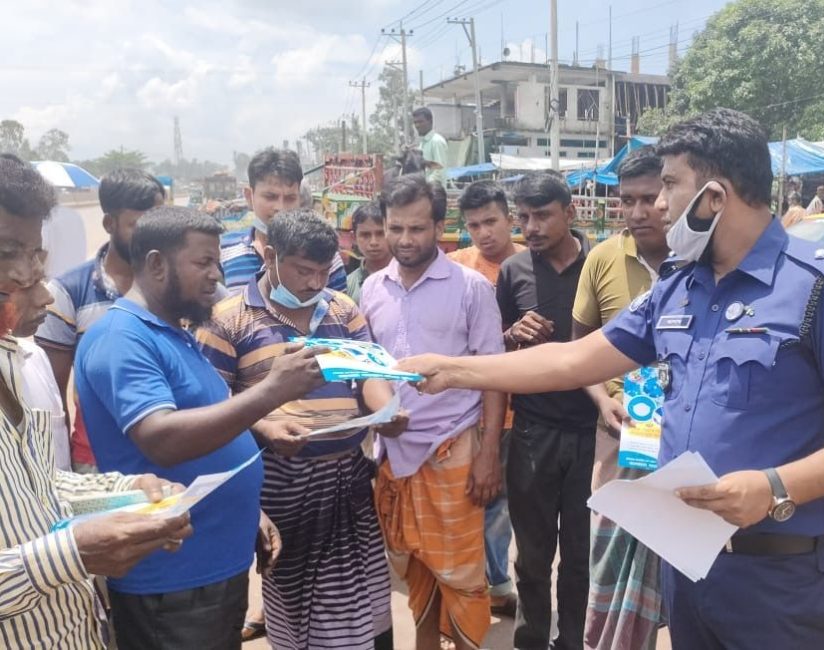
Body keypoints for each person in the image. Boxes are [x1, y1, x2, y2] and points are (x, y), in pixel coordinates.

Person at [397, 107, 824, 649]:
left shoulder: (818, 286)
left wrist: (775, 488)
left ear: (714, 196)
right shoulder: (680, 287)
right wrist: (453, 369)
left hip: (779, 580)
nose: (659, 204)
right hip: (687, 567)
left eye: (669, 185)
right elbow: (575, 360)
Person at [75, 206, 330, 649]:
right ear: (156, 264)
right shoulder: (122, 337)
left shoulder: (173, 333)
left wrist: (251, 511)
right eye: (203, 262)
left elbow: (213, 430)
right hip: (173, 582)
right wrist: (271, 392)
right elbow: (162, 439)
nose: (217, 274)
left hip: (211, 569)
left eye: (217, 261)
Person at [0, 154, 192, 648]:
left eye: (36, 256)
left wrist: (128, 492)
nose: (38, 291)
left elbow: (37, 491)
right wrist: (71, 555)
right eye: (9, 255)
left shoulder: (17, 362)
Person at [198, 210, 402, 649]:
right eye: (302, 271)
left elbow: (369, 376)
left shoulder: (343, 309)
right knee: (303, 614)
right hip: (283, 487)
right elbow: (213, 407)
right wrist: (267, 426)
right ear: (271, 257)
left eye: (322, 271)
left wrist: (386, 413)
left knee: (366, 604)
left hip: (348, 480)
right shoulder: (228, 319)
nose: (313, 283)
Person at [360, 175, 505, 650]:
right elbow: (368, 371)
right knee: (417, 579)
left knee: (462, 578)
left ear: (440, 227)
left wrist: (488, 456)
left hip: (453, 451)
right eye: (395, 228)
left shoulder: (471, 288)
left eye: (417, 229)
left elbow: (493, 375)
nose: (404, 240)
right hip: (393, 456)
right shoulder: (371, 288)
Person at [495, 172, 600, 650]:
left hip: (592, 432)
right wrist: (513, 334)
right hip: (533, 432)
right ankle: (531, 639)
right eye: (524, 217)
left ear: (570, 213)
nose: (531, 227)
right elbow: (494, 346)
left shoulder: (600, 265)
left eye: (542, 215)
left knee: (580, 557)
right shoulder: (513, 272)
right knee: (532, 558)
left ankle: (572, 641)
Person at [573, 148, 669, 650]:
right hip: (622, 428)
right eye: (626, 200)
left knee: (685, 563)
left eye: (650, 198)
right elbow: (579, 348)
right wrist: (599, 401)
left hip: (688, 438)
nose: (636, 212)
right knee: (614, 561)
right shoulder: (604, 258)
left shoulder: (701, 261)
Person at [37, 168, 164, 472]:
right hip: (97, 462)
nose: (152, 237)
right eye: (138, 225)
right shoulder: (68, 293)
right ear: (109, 223)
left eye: (158, 224)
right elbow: (54, 396)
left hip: (167, 453)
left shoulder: (172, 285)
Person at [447, 180, 526, 617]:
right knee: (468, 498)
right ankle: (474, 585)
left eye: (491, 222)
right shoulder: (457, 267)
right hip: (465, 410)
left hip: (518, 410)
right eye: (474, 225)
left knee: (500, 504)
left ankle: (496, 582)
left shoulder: (530, 266)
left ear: (509, 218)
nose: (484, 233)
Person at [220, 148, 347, 293]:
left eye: (290, 198)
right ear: (249, 196)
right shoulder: (225, 251)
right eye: (270, 197)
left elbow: (340, 312)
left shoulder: (325, 254)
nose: (280, 208)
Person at [14, 276, 69, 469]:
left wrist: (125, 485)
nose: (47, 297)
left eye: (42, 281)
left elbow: (49, 479)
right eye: (26, 285)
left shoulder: (35, 357)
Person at [345, 202, 391, 303]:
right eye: (365, 235)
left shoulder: (407, 278)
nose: (373, 242)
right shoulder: (348, 285)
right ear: (354, 238)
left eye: (380, 234)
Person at [413, 107, 449, 186]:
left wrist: (424, 186)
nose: (417, 125)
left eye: (420, 122)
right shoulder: (423, 143)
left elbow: (439, 171)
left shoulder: (437, 141)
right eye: (415, 122)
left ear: (430, 121)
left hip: (434, 193)